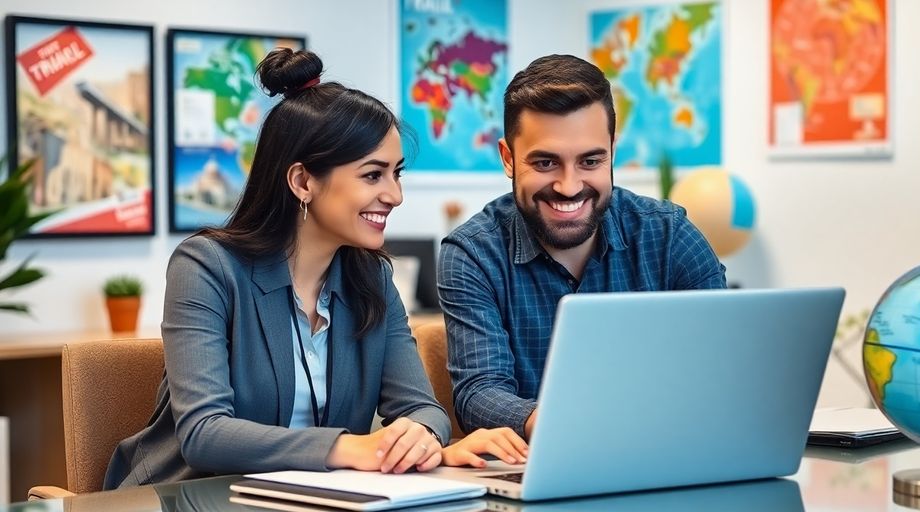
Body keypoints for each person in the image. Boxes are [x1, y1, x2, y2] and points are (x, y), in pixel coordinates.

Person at [104, 48, 526, 489]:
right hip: (187, 496)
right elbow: (204, 434)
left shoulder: (373, 279)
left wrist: (418, 437)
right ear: (303, 181)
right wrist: (353, 447)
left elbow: (424, 409)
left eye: (396, 174)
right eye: (373, 175)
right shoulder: (207, 267)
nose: (395, 195)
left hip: (309, 498)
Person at [438, 54, 728, 440]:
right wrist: (565, 423)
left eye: (590, 161)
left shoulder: (671, 236)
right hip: (545, 468)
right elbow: (479, 394)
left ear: (612, 150)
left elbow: (724, 365)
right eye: (545, 163)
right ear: (508, 158)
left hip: (668, 450)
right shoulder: (473, 254)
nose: (569, 186)